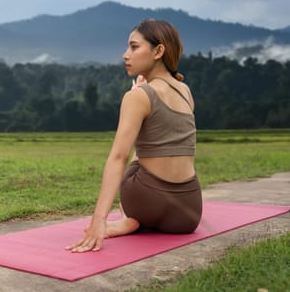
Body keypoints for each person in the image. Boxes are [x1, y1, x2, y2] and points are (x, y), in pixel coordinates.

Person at [66, 19, 202, 253]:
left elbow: (118, 158)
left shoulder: (137, 97)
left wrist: (99, 220)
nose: (125, 55)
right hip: (188, 213)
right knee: (156, 141)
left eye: (134, 47)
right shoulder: (185, 90)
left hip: (145, 202)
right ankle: (135, 219)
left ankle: (129, 218)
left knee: (136, 154)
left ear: (158, 51)